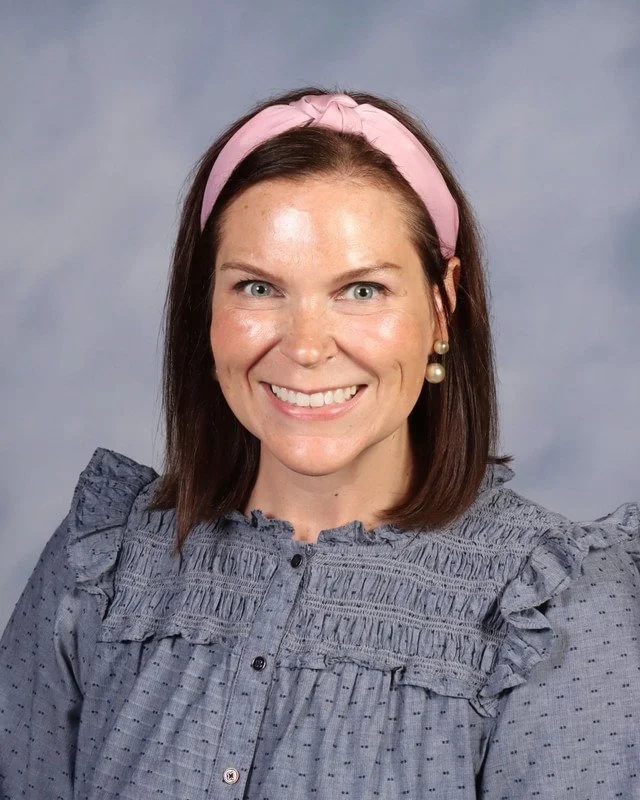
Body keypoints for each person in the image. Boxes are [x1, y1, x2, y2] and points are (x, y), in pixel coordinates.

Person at [1, 88, 638, 800]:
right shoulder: (100, 566)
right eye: (258, 288)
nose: (306, 348)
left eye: (361, 291)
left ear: (442, 306)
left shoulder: (553, 608)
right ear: (205, 305)